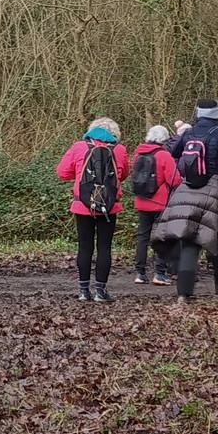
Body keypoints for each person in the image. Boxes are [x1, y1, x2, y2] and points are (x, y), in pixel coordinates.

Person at [153, 97, 218, 300]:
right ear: (217, 113)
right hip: (215, 191)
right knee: (217, 240)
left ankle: (184, 295)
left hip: (188, 190)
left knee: (190, 240)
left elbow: (173, 151)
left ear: (198, 113)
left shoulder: (189, 132)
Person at [56, 117, 126, 302]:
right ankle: (101, 292)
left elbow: (61, 172)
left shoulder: (79, 147)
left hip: (83, 204)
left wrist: (79, 175)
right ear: (114, 133)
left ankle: (83, 291)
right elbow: (123, 174)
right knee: (104, 247)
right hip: (109, 206)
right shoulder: (119, 149)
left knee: (84, 247)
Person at [129, 124, 181, 285]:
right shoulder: (164, 155)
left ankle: (140, 273)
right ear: (163, 140)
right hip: (160, 203)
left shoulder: (137, 154)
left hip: (141, 201)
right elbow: (175, 179)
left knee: (142, 237)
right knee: (163, 237)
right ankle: (160, 272)